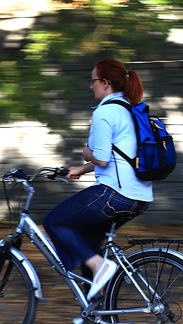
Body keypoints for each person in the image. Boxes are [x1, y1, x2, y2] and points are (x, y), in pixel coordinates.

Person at [43, 58, 153, 304]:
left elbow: (102, 159)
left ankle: (100, 268)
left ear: (105, 83)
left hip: (114, 194)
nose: (90, 86)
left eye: (92, 81)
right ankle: (96, 308)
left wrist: (86, 153)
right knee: (86, 241)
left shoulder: (105, 112)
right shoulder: (128, 109)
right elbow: (119, 156)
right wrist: (82, 168)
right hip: (139, 196)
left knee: (53, 221)